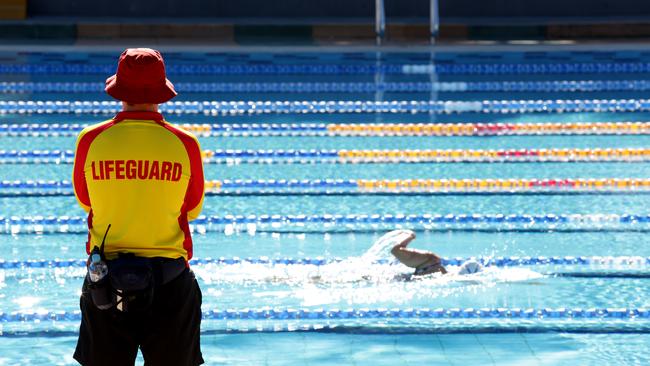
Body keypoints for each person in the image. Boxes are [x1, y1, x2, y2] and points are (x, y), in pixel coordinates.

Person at [72, 48, 205, 366]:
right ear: (161, 91)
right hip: (170, 285)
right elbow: (193, 208)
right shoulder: (185, 143)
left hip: (106, 284)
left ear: (120, 90)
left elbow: (85, 199)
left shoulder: (90, 140)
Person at [388, 229, 482, 276]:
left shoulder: (447, 276)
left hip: (427, 266)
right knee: (397, 251)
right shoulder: (428, 259)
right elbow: (395, 250)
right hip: (427, 262)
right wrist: (409, 236)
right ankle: (410, 235)